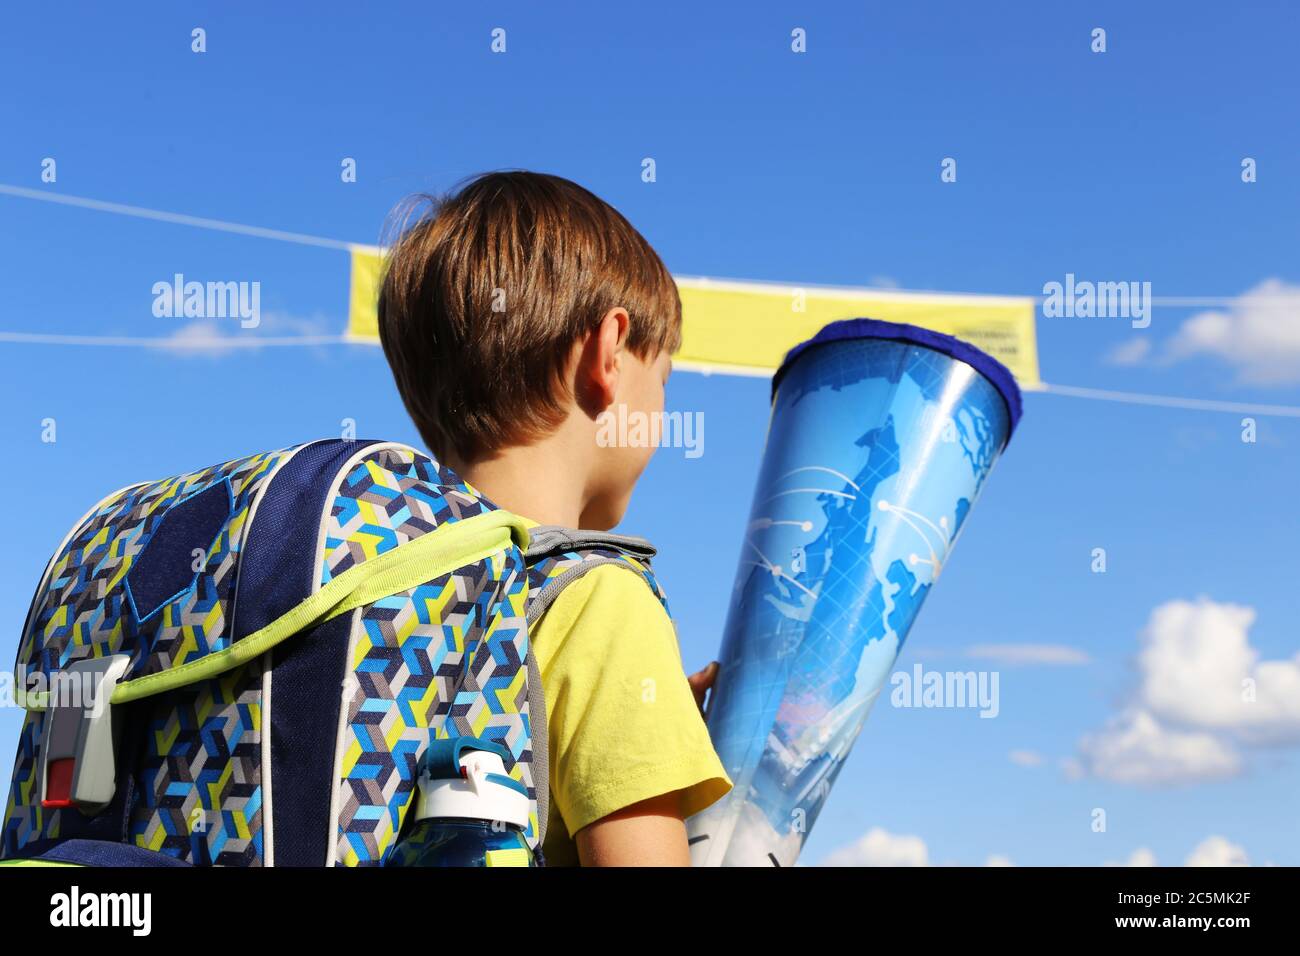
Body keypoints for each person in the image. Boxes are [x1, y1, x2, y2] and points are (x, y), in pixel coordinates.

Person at [377, 170, 732, 866]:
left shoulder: (386, 589)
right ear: (608, 356)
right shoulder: (600, 603)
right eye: (660, 382)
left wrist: (645, 715)